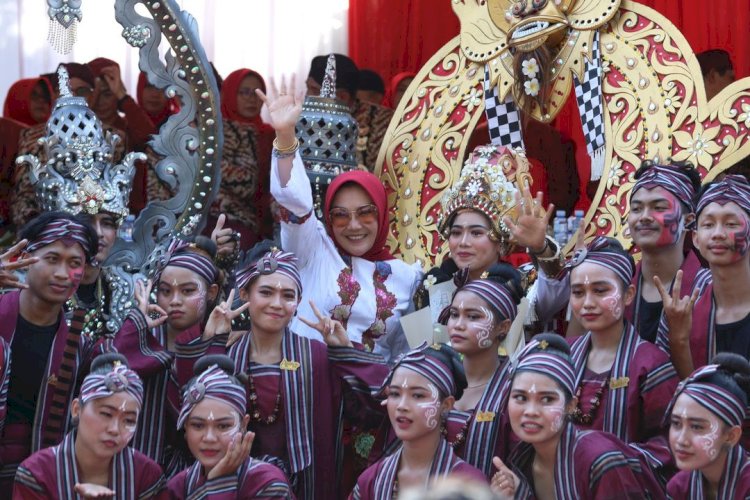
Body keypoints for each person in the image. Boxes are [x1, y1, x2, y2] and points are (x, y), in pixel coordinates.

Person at [260, 75, 422, 362]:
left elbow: (415, 352)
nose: (354, 225)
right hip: (306, 388)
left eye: (366, 213)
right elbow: (293, 201)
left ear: (383, 213)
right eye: (341, 216)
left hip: (370, 398)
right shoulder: (313, 250)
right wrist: (285, 135)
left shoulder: (408, 277)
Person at [203, 247, 386, 498]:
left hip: (310, 487)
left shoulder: (318, 357)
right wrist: (209, 342)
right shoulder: (226, 359)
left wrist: (346, 353)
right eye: (266, 292)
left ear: (298, 303)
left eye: (288, 295)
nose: (276, 304)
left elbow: (379, 402)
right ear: (245, 294)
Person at [490, 334, 664, 499]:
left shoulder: (601, 461)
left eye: (547, 399)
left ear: (571, 405)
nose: (531, 411)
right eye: (520, 398)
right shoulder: (521, 459)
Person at [0, 211, 102, 490]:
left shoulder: (80, 347)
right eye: (52, 259)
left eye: (75, 263)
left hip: (35, 478)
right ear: (24, 258)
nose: (62, 274)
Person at [564, 237, 678, 473]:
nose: (587, 303)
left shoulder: (651, 364)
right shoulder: (562, 358)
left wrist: (607, 461)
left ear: (628, 295)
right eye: (578, 292)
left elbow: (669, 442)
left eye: (600, 291)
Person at [114, 237, 222, 477]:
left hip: (194, 476)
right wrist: (136, 326)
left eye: (188, 291)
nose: (174, 301)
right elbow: (113, 372)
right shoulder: (138, 338)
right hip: (129, 470)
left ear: (211, 292)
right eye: (165, 291)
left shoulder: (222, 344)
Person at [13, 353, 165, 499]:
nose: (114, 429)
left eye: (129, 420)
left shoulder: (146, 475)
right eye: (106, 414)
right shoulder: (36, 473)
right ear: (76, 410)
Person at [351, 343, 487, 499]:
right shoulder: (371, 480)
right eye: (395, 394)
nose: (402, 406)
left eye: (417, 395)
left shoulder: (470, 485)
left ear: (446, 405)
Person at [10, 62, 126, 230]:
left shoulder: (113, 138)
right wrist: (40, 228)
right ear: (55, 95)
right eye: (64, 89)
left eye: (82, 91)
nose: (72, 96)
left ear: (93, 96)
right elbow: (24, 194)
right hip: (44, 229)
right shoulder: (32, 137)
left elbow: (116, 194)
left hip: (96, 229)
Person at [658, 174, 750, 377]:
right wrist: (679, 340)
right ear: (696, 238)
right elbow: (676, 397)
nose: (718, 233)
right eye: (708, 225)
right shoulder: (681, 311)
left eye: (731, 224)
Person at [168, 355, 292, 498]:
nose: (209, 438)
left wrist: (218, 484)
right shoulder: (177, 487)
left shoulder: (268, 484)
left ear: (243, 425)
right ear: (185, 427)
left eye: (223, 426)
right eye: (198, 425)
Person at [439, 269, 523, 476]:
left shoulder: (515, 390)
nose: (458, 325)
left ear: (503, 327)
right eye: (454, 314)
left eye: (473, 316)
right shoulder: (435, 381)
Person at [665, 353, 750, 499]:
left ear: (731, 436)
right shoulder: (679, 487)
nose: (681, 440)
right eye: (676, 423)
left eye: (697, 427)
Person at [211, 68, 275, 248]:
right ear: (230, 93)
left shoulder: (270, 134)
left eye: (257, 94)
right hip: (213, 216)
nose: (251, 99)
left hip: (255, 219)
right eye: (244, 92)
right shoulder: (215, 131)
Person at [306, 54, 394, 171]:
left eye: (315, 90)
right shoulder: (304, 119)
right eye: (308, 88)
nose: (308, 96)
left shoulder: (383, 122)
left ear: (342, 97)